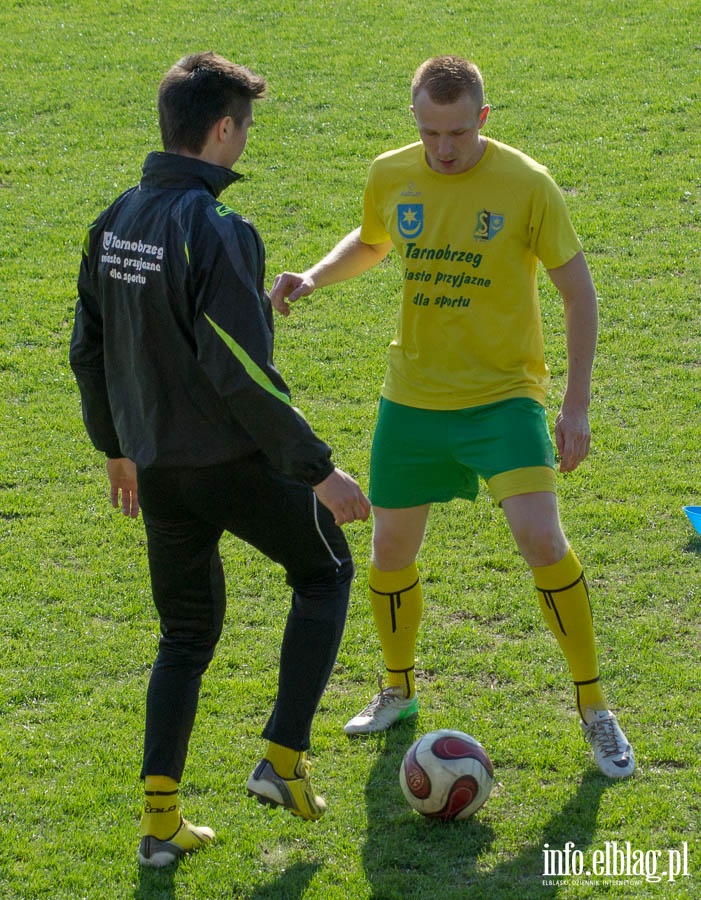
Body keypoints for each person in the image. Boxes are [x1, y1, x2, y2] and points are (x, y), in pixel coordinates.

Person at [270, 55, 634, 779]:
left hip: (503, 398)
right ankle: (397, 690)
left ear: (482, 120)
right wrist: (314, 274)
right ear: (415, 120)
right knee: (388, 552)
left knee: (540, 538)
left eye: (458, 133)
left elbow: (578, 292)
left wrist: (576, 404)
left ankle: (594, 706)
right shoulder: (389, 172)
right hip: (412, 398)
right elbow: (374, 240)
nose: (443, 149)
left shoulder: (526, 184)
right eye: (431, 132)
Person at [70, 51, 371, 868]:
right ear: (223, 128)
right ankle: (281, 760)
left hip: (157, 470)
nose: (245, 139)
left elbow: (86, 349)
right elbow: (239, 372)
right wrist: (319, 470)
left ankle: (160, 821)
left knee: (185, 635)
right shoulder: (218, 229)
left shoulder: (115, 218)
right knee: (326, 573)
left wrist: (116, 448)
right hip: (231, 464)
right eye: (245, 126)